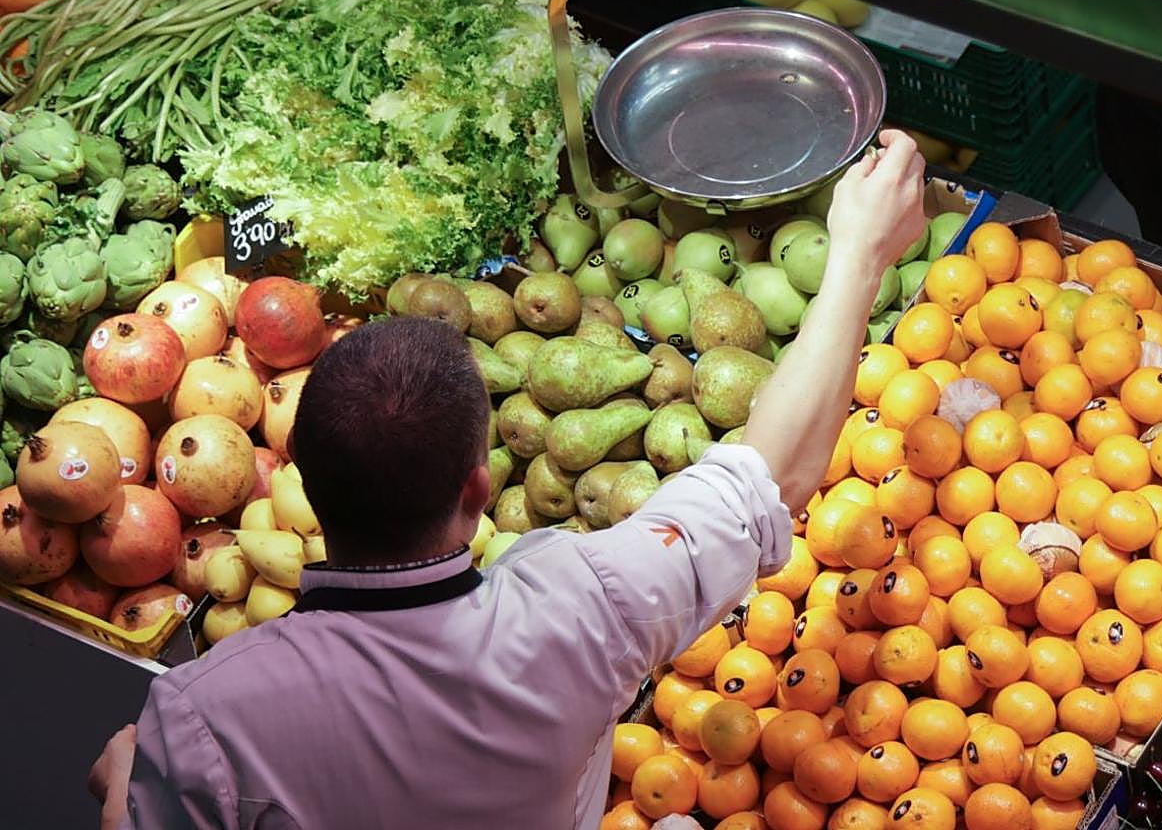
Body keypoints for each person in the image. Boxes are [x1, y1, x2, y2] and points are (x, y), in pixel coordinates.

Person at [87, 130, 926, 829]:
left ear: (298, 482)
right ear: (478, 490)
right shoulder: (579, 609)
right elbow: (776, 473)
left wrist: (128, 784)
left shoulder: (208, 714)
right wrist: (858, 254)